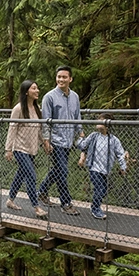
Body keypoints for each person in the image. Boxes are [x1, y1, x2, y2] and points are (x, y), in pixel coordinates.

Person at [38, 66, 84, 216]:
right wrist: (46, 141)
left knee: (58, 170)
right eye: (59, 77)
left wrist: (80, 132)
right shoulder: (49, 97)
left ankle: (42, 192)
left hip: (68, 140)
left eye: (64, 77)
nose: (61, 79)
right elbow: (45, 121)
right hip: (55, 141)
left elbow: (77, 116)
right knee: (62, 171)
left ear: (70, 79)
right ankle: (66, 203)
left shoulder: (75, 97)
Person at [4, 80, 48, 218]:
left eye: (37, 88)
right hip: (20, 148)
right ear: (26, 92)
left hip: (32, 148)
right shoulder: (18, 109)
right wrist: (8, 149)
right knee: (31, 175)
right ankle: (36, 207)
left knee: (21, 174)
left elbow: (39, 129)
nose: (37, 91)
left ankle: (10, 200)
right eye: (34, 88)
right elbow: (12, 128)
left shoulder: (37, 108)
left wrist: (44, 142)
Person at [77, 113, 129, 220]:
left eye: (101, 120)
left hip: (105, 170)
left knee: (103, 190)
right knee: (99, 188)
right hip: (94, 168)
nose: (98, 121)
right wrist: (79, 139)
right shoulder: (94, 136)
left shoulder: (113, 140)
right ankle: (95, 208)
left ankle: (96, 205)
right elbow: (83, 145)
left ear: (107, 125)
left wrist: (123, 167)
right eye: (98, 119)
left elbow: (120, 154)